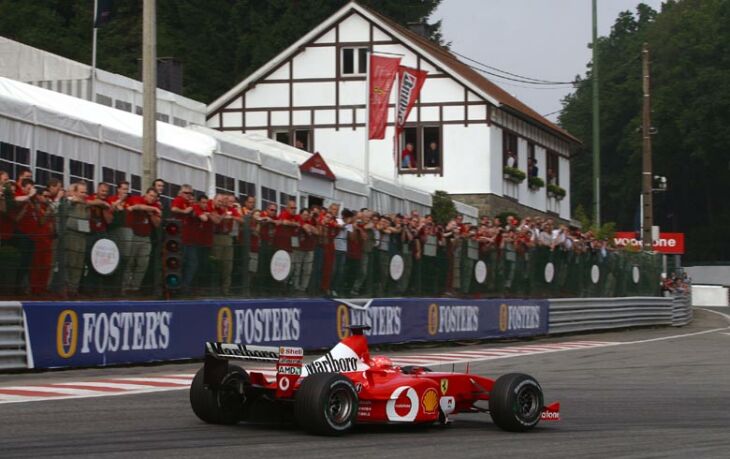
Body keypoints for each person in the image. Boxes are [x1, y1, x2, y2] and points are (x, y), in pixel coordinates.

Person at [122, 187, 161, 293]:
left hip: (146, 237)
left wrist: (151, 213)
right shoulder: (137, 198)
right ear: (146, 194)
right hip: (133, 235)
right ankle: (124, 287)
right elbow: (138, 206)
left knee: (143, 263)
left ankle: (135, 288)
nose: (152, 199)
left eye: (154, 197)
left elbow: (157, 224)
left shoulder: (156, 206)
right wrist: (152, 209)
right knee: (130, 262)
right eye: (151, 196)